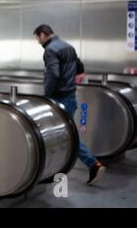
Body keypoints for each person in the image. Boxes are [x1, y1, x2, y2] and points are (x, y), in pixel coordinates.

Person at [33, 24, 106, 185]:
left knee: (62, 135)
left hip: (59, 98)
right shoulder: (68, 46)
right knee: (68, 133)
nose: (38, 41)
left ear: (43, 34)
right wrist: (78, 74)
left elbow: (53, 73)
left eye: (38, 38)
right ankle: (51, 167)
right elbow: (79, 65)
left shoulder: (50, 50)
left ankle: (92, 164)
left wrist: (47, 96)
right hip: (71, 96)